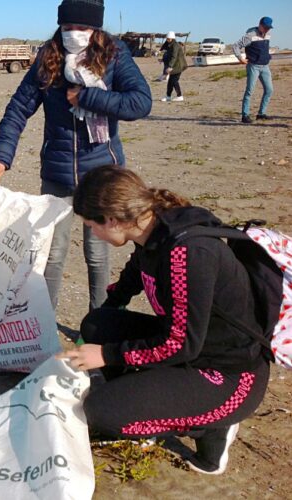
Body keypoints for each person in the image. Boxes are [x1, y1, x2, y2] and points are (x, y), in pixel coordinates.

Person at [63, 165, 270, 475]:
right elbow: (132, 277)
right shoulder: (153, 227)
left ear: (112, 220)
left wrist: (105, 354)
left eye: (92, 225)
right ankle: (147, 399)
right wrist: (100, 326)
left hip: (231, 377)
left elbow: (180, 345)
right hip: (197, 349)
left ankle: (213, 428)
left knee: (98, 411)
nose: (92, 233)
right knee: (97, 324)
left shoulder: (187, 253)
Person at [0, 0, 152, 312]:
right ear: (60, 25)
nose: (74, 33)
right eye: (68, 27)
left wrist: (88, 96)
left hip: (102, 173)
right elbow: (18, 109)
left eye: (83, 27)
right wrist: (0, 155)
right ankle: (43, 319)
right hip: (57, 174)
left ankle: (98, 322)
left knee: (97, 252)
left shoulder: (114, 54)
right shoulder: (48, 57)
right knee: (52, 251)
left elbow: (140, 102)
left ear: (96, 28)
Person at [233, 16, 274, 124]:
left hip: (265, 66)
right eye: (265, 27)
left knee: (269, 90)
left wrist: (268, 55)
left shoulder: (268, 35)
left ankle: (261, 113)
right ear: (260, 25)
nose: (267, 29)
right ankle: (245, 115)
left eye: (268, 28)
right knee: (249, 91)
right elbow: (236, 45)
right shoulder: (250, 35)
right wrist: (240, 58)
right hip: (253, 66)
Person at [160, 31, 187, 102]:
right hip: (174, 66)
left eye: (169, 39)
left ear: (172, 38)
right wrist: (162, 60)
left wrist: (170, 66)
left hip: (179, 66)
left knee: (174, 81)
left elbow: (174, 57)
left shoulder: (175, 45)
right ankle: (168, 96)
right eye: (167, 38)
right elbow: (168, 55)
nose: (167, 40)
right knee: (170, 82)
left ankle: (180, 96)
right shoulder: (169, 45)